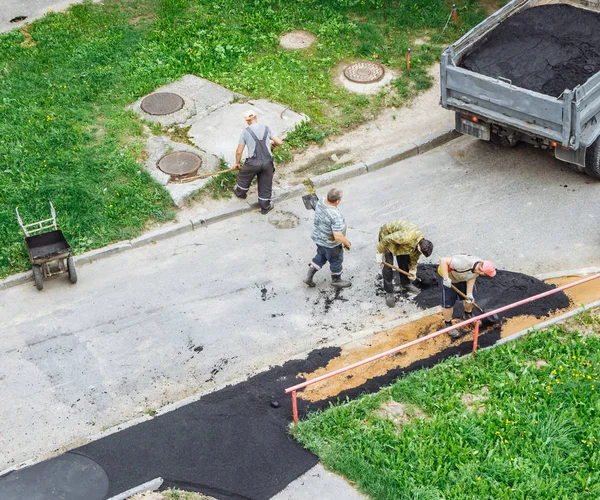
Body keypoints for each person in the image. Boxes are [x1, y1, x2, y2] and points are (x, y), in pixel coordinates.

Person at [233, 109, 283, 215]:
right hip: (267, 162)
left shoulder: (245, 132)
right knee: (265, 183)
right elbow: (279, 142)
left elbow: (239, 151)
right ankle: (265, 206)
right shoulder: (267, 128)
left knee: (244, 176)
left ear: (247, 121)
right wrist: (273, 144)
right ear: (256, 117)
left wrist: (237, 163)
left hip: (253, 162)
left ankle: (240, 192)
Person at [375, 220, 433, 307]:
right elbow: (386, 239)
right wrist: (379, 253)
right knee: (388, 265)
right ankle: (389, 292)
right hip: (387, 237)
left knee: (405, 260)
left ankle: (405, 284)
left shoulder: (422, 243)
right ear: (419, 247)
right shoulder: (406, 237)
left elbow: (414, 256)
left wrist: (413, 269)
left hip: (402, 242)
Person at [303, 188, 352, 289]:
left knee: (321, 256)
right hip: (331, 244)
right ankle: (336, 280)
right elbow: (338, 236)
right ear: (337, 201)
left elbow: (313, 204)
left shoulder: (321, 201)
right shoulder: (335, 215)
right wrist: (346, 243)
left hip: (319, 238)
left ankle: (309, 276)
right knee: (336, 260)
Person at [438, 255, 497, 339]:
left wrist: (469, 294)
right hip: (449, 277)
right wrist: (446, 278)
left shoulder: (478, 267)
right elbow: (443, 260)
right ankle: (448, 325)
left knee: (470, 299)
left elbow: (472, 277)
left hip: (463, 278)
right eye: (486, 274)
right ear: (482, 271)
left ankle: (467, 314)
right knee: (448, 304)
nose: (485, 275)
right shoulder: (463, 263)